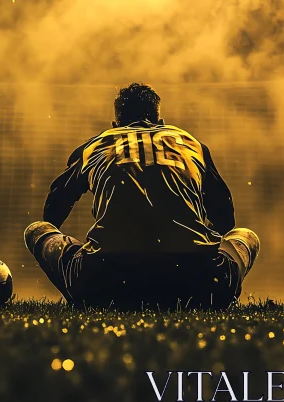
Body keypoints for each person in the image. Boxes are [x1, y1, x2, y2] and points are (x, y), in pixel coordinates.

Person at [24, 83, 260, 310]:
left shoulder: (95, 145)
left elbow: (57, 200)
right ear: (161, 122)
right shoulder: (191, 143)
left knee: (37, 230)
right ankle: (221, 292)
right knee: (245, 236)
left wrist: (67, 250)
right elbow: (224, 213)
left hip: (104, 284)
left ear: (115, 123)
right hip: (200, 285)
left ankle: (80, 295)